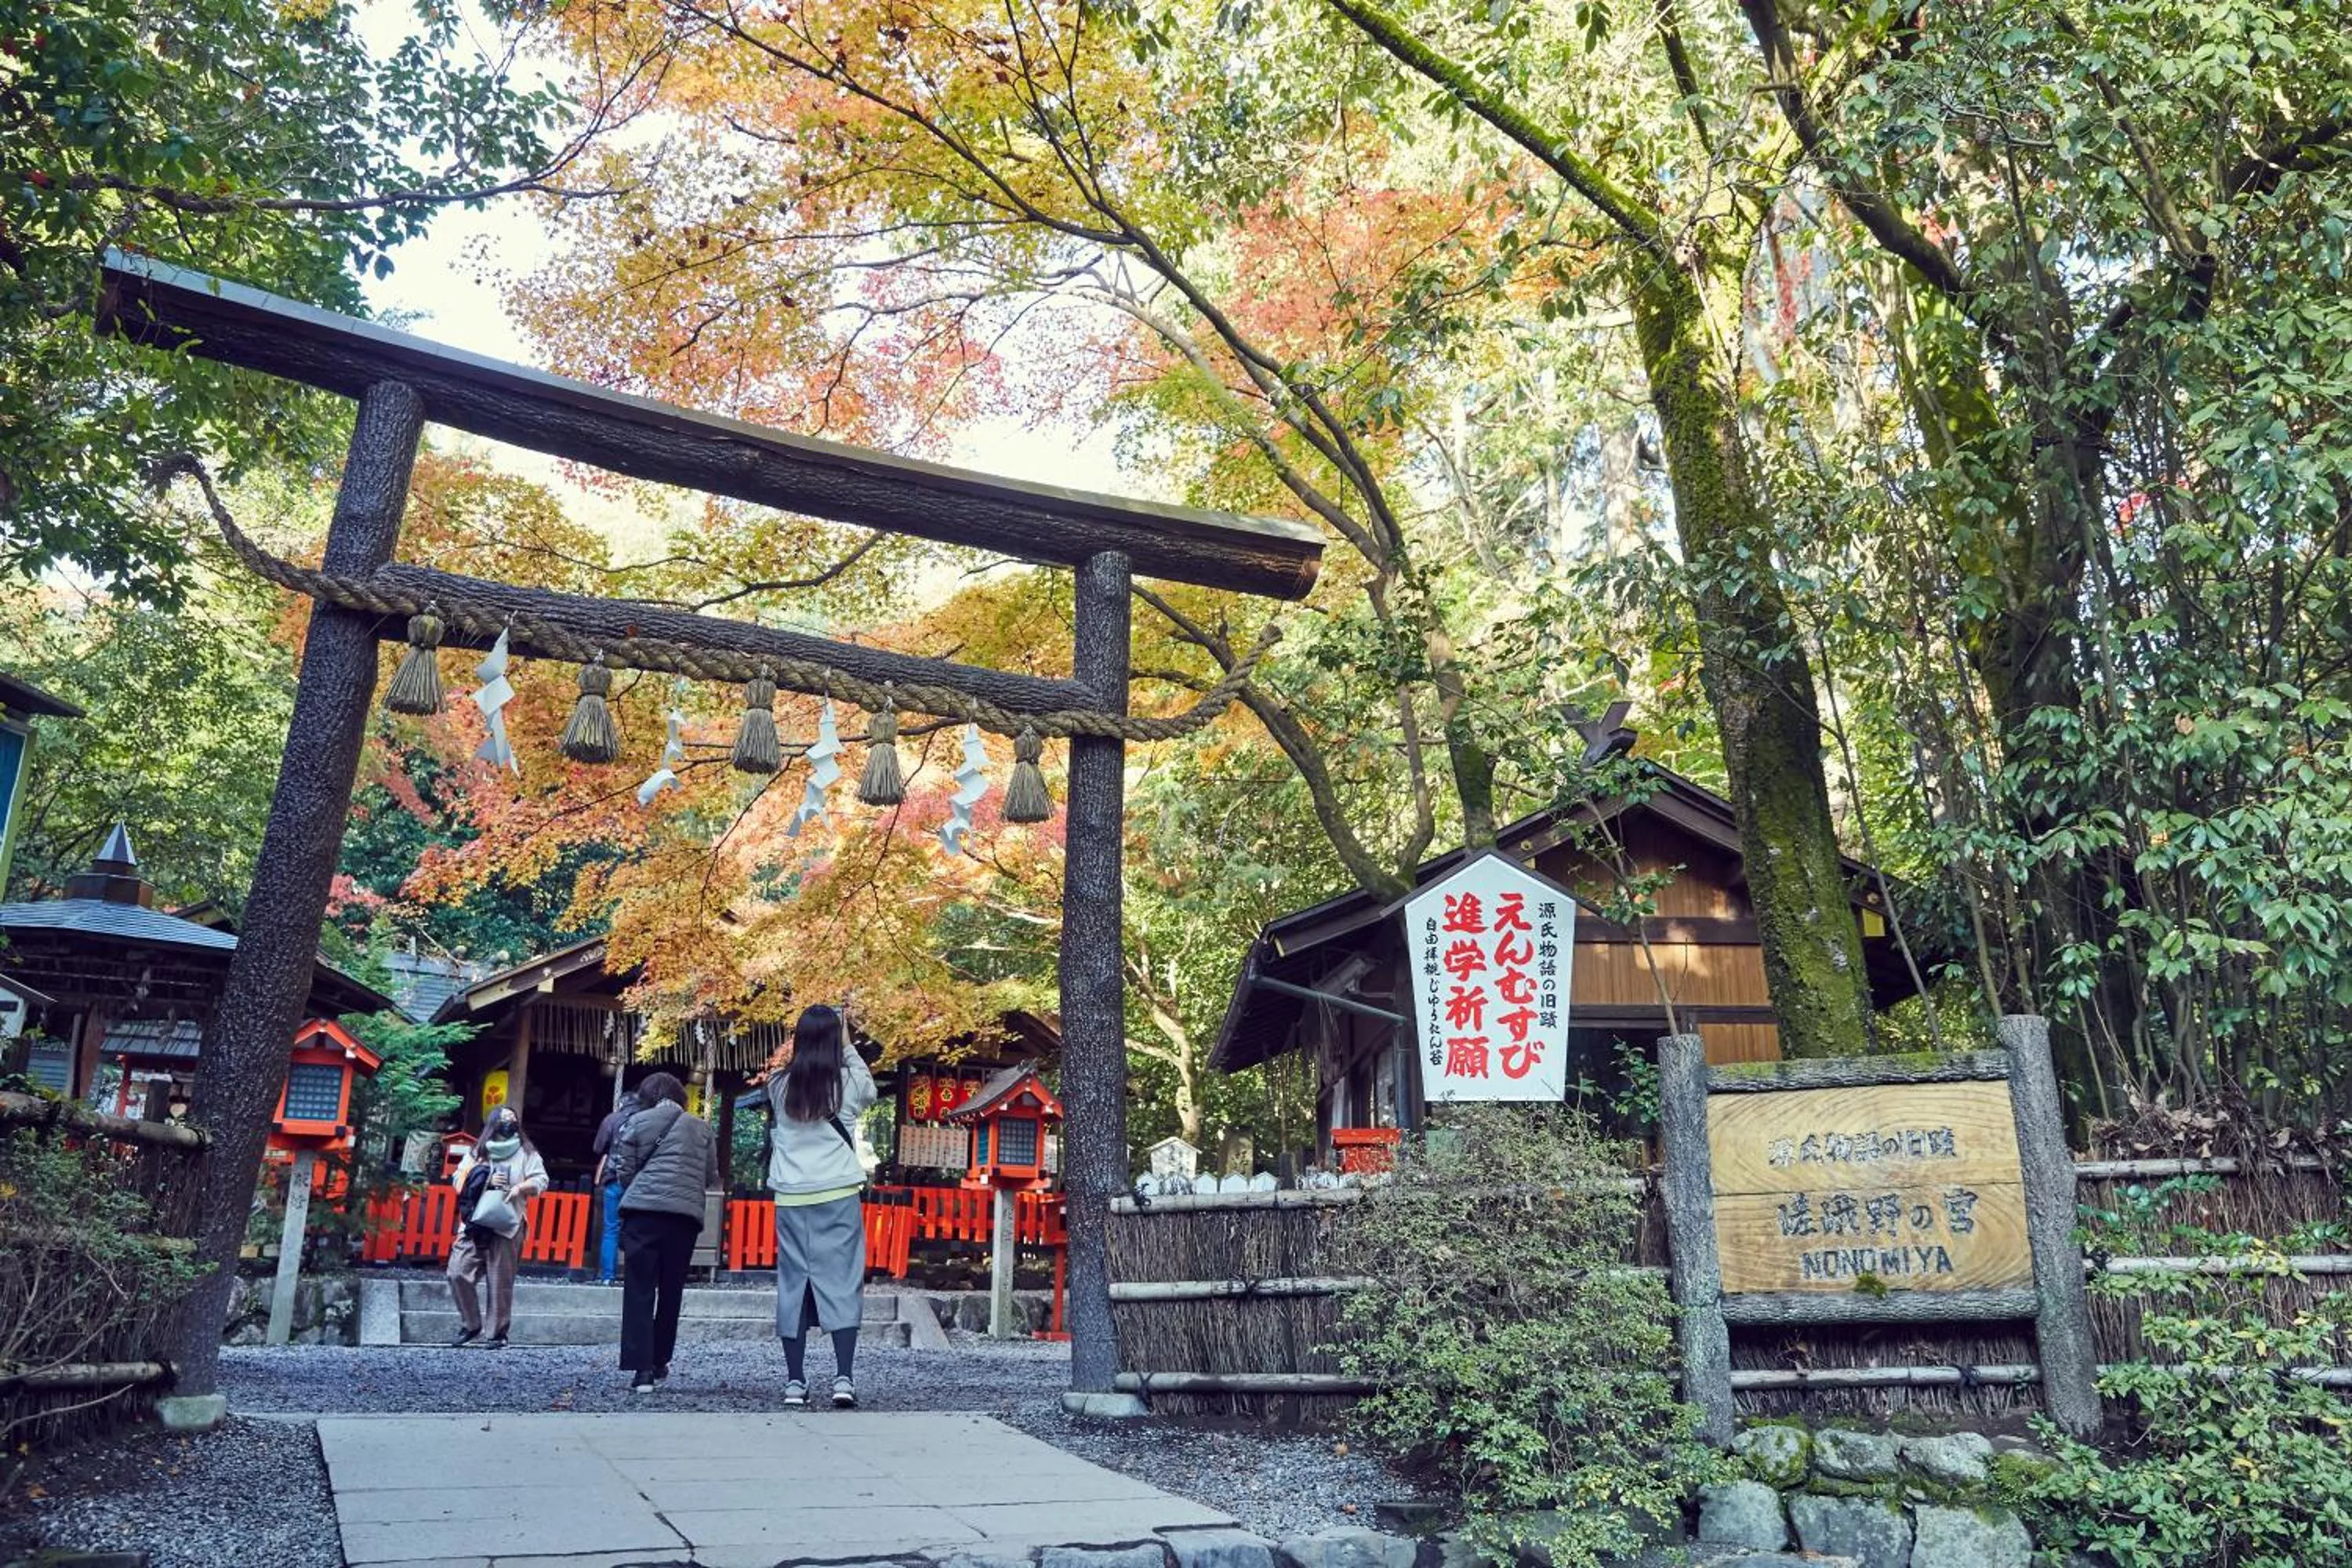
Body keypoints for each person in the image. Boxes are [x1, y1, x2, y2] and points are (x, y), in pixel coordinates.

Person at [765, 1003, 874, 1408]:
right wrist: (848, 1046)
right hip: (838, 1194)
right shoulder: (847, 1083)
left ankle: (795, 1382)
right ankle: (843, 1378)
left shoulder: (778, 1086)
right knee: (842, 1282)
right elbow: (869, 1088)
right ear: (835, 1039)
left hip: (791, 1197)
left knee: (794, 1283)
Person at [608, 1071, 720, 1395]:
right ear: (680, 1096)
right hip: (683, 1218)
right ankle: (660, 1360)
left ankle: (641, 1370)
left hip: (643, 1215)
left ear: (648, 1095)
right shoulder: (701, 1127)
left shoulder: (638, 1122)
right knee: (671, 1291)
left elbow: (624, 1167)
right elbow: (711, 1174)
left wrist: (639, 1191)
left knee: (640, 1288)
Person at [446, 1105, 547, 1348]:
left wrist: (520, 1188)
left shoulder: (527, 1153)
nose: (508, 1123)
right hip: (475, 1223)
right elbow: (457, 1179)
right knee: (457, 1272)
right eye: (503, 1119)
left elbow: (541, 1180)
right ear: (493, 1123)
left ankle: (497, 1333)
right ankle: (471, 1324)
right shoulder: (477, 1152)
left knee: (500, 1280)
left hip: (508, 1224)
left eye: (512, 1119)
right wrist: (481, 1180)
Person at [590, 1085, 644, 1286]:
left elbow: (598, 1147)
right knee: (637, 1230)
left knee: (611, 1228)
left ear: (621, 1104)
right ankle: (635, 1276)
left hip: (613, 1178)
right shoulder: (646, 1120)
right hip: (638, 1182)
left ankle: (608, 1276)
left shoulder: (612, 1119)